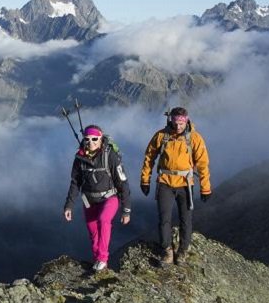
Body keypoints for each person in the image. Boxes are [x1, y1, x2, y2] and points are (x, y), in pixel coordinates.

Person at [139, 107, 211, 266]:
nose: (178, 126)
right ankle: (167, 251)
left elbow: (203, 164)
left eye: (181, 123)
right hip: (165, 183)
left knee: (186, 219)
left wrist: (205, 187)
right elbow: (149, 158)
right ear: (170, 119)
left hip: (185, 184)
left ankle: (182, 252)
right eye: (175, 122)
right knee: (164, 219)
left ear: (186, 121)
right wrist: (145, 180)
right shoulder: (161, 136)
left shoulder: (194, 138)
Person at [64, 125, 131, 271]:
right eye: (87, 139)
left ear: (101, 139)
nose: (91, 142)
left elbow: (122, 182)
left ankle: (102, 258)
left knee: (103, 220)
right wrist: (69, 205)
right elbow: (75, 183)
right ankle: (99, 262)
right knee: (93, 233)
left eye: (95, 139)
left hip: (110, 198)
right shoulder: (80, 158)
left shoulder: (110, 156)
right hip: (89, 201)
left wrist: (126, 210)